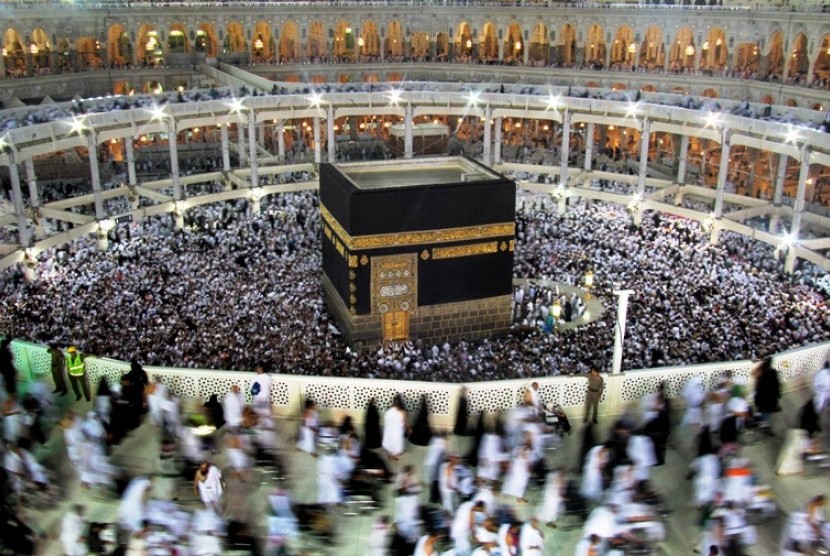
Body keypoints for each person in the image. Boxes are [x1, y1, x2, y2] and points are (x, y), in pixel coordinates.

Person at [753, 357, 780, 434]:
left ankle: (762, 423)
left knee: (763, 410)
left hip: (761, 396)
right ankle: (765, 426)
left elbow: (758, 385)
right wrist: (777, 395)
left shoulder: (761, 372)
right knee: (766, 412)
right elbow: (776, 385)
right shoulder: (772, 372)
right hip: (769, 396)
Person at [383, 394, 408, 461]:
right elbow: (405, 423)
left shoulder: (389, 410)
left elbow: (385, 420)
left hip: (389, 430)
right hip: (397, 430)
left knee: (390, 441)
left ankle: (391, 454)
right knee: (396, 442)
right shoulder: (402, 412)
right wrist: (407, 428)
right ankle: (394, 456)